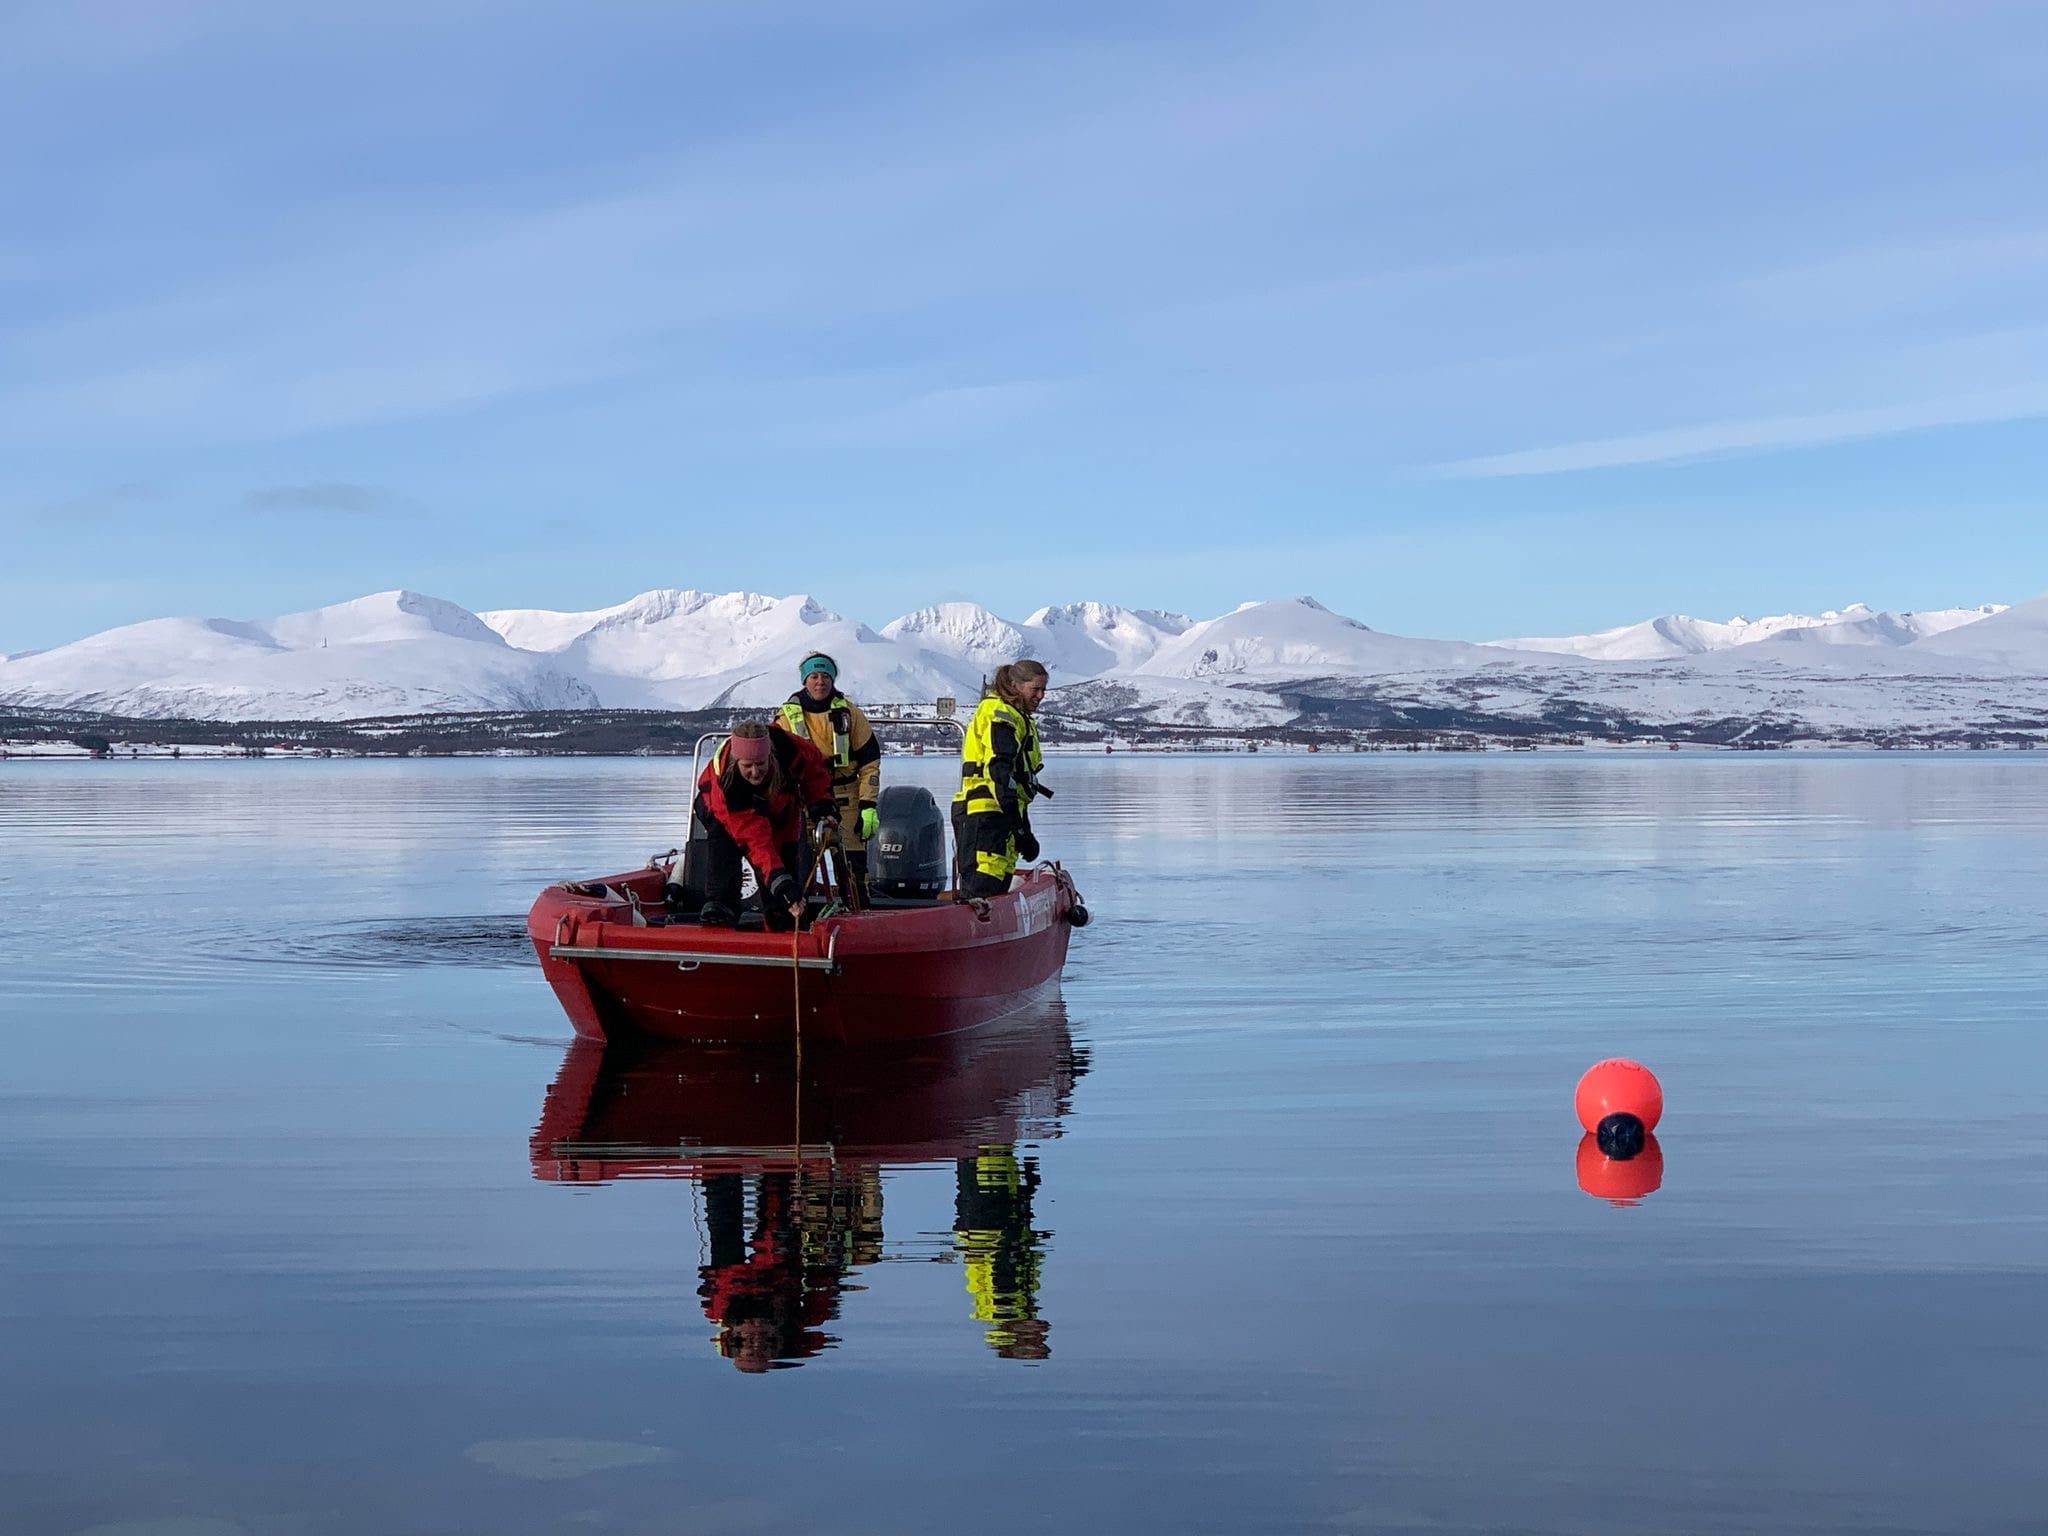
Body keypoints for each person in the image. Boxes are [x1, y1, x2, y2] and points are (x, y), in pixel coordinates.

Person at [693, 718, 837, 930]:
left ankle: (781, 918)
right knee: (727, 848)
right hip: (720, 810)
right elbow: (757, 844)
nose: (755, 772)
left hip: (780, 808)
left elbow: (815, 769)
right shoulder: (728, 784)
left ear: (769, 756)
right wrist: (780, 882)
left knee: (786, 865)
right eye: (747, 766)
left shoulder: (788, 747)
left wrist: (821, 803)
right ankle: (721, 910)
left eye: (760, 764)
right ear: (736, 762)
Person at [775, 652, 882, 905]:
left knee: (853, 867)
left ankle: (859, 912)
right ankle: (795, 916)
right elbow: (776, 765)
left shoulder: (850, 714)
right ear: (805, 681)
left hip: (846, 797)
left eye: (825, 676)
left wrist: (868, 806)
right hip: (804, 800)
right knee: (798, 864)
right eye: (814, 676)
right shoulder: (786, 718)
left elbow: (870, 763)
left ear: (833, 680)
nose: (820, 682)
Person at [952, 659, 1051, 899]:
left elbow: (1015, 787)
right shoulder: (1000, 716)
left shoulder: (1016, 716)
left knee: (998, 887)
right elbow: (1001, 775)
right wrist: (1021, 832)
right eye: (1035, 689)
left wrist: (1022, 829)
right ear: (1016, 685)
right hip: (984, 816)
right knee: (982, 889)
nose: (1040, 696)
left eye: (1043, 690)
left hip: (1002, 816)